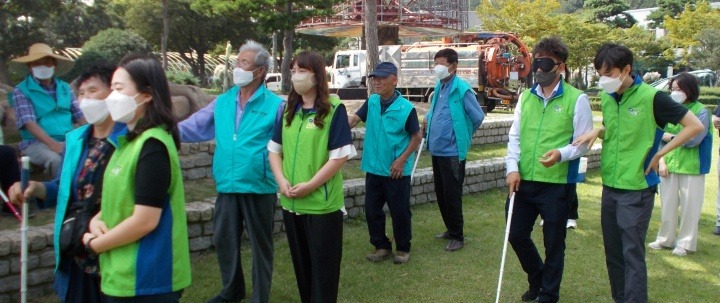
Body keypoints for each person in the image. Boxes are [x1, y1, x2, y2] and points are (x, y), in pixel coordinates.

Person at [574, 43, 703, 303]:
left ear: (627, 70)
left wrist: (659, 154)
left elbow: (695, 125)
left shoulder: (652, 97)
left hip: (637, 190)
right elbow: (618, 130)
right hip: (610, 187)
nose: (604, 79)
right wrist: (599, 131)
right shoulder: (610, 99)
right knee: (613, 255)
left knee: (631, 254)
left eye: (609, 73)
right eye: (601, 73)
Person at [178, 40, 283, 303]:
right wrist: (163, 130)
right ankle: (232, 290)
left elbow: (285, 145)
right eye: (237, 62)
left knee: (261, 245)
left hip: (258, 184)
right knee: (225, 241)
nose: (237, 67)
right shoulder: (223, 102)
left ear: (259, 71)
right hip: (227, 183)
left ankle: (260, 296)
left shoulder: (275, 105)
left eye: (243, 63)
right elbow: (193, 126)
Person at [8, 63, 122, 303]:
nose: (85, 99)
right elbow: (62, 188)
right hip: (77, 248)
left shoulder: (128, 140)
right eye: (81, 93)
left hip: (115, 248)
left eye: (93, 91)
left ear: (115, 94)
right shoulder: (75, 141)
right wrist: (36, 188)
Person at [81, 54, 191, 302]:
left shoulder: (152, 145)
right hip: (122, 273)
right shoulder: (126, 143)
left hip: (147, 278)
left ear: (146, 94)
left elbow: (145, 220)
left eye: (119, 89)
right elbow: (122, 197)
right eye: (111, 88)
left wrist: (94, 245)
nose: (111, 97)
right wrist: (97, 220)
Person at [505, 37, 593, 303]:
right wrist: (511, 168)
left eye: (546, 63)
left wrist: (561, 154)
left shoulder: (578, 100)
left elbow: (584, 143)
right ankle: (537, 277)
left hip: (557, 184)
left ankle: (548, 293)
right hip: (523, 181)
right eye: (536, 62)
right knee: (516, 233)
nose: (539, 69)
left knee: (554, 242)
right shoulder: (526, 98)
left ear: (560, 66)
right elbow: (515, 137)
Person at [267, 51, 355, 303]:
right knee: (303, 270)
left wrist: (310, 186)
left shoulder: (333, 110)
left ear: (317, 76)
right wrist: (281, 181)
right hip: (292, 203)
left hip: (322, 206)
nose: (296, 76)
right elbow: (274, 150)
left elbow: (339, 157)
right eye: (293, 71)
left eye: (302, 71)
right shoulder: (286, 111)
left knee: (324, 273)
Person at [348, 62, 422, 264]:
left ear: (394, 80)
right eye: (375, 78)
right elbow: (353, 120)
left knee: (399, 211)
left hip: (395, 170)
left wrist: (402, 159)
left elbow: (417, 136)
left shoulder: (406, 108)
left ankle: (403, 248)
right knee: (372, 210)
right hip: (374, 167)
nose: (377, 82)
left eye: (382, 78)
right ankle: (381, 246)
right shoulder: (372, 102)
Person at [423, 48, 485, 251]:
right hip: (437, 150)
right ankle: (450, 229)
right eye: (436, 63)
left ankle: (458, 236)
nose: (437, 68)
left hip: (452, 152)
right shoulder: (439, 86)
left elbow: (477, 117)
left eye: (441, 63)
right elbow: (435, 112)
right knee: (441, 193)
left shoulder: (461, 88)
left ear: (453, 66)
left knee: (452, 194)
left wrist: (462, 136)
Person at [649, 72, 712, 256]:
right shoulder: (670, 108)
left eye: (679, 89)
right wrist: (661, 161)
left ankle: (685, 243)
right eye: (673, 89)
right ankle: (665, 239)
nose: (675, 93)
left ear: (690, 90)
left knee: (690, 206)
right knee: (667, 204)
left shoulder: (701, 111)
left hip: (693, 167)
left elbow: (694, 140)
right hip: (668, 164)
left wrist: (670, 137)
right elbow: (658, 136)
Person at [9, 43, 86, 177]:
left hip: (67, 138)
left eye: (47, 62)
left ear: (54, 65)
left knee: (89, 155)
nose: (42, 66)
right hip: (36, 143)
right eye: (37, 63)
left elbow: (80, 116)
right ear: (30, 67)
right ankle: (64, 195)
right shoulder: (21, 90)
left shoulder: (65, 87)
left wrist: (94, 135)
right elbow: (29, 123)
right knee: (56, 160)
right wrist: (54, 145)